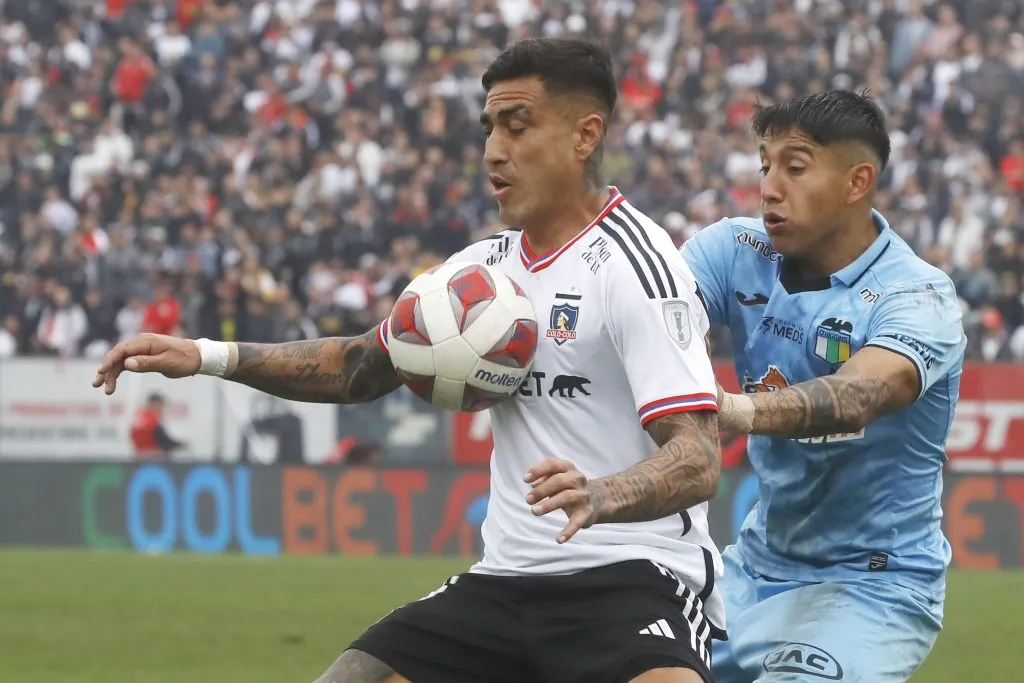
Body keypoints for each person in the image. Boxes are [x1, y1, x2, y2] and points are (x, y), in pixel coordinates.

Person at [92, 38, 725, 683]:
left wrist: (601, 492)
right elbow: (361, 365)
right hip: (505, 585)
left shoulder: (640, 266)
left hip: (630, 580)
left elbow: (699, 457)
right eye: (488, 129)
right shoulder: (478, 275)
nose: (493, 151)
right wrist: (207, 355)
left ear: (585, 135)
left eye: (517, 125)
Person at [681, 90, 966, 683]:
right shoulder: (735, 251)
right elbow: (643, 314)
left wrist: (733, 409)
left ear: (856, 181)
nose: (769, 187)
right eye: (764, 164)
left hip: (873, 585)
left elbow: (860, 393)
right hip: (751, 573)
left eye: (796, 166)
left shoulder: (916, 296)